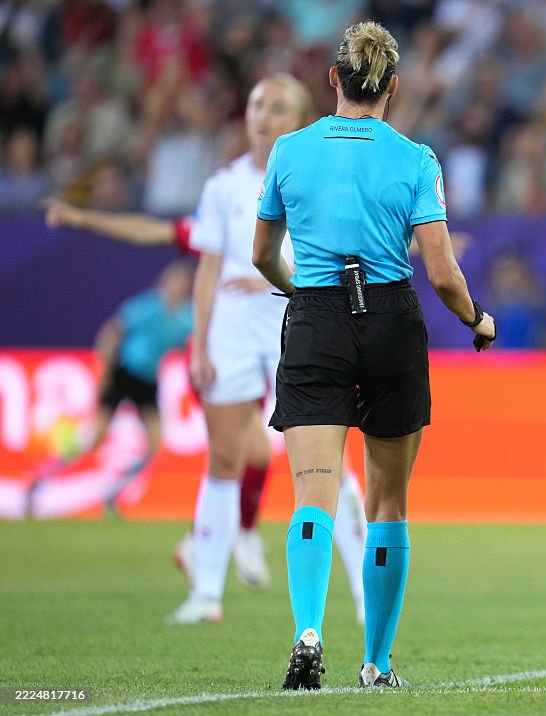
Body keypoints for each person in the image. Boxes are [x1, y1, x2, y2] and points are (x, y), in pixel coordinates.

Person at [252, 21, 495, 690]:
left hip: (316, 319)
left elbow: (260, 254)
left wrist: (296, 290)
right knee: (388, 502)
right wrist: (476, 319)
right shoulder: (416, 158)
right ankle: (377, 664)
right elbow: (443, 273)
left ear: (332, 79)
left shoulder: (288, 151)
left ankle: (307, 629)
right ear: (393, 85)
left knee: (314, 493)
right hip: (389, 318)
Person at [41, 196, 369, 607]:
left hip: (285, 350)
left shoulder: (304, 217)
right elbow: (148, 230)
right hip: (222, 360)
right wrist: (82, 215)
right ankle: (229, 556)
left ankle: (207, 544)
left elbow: (352, 250)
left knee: (286, 461)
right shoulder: (224, 213)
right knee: (244, 458)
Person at [165, 72, 362, 625]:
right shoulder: (223, 186)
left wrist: (275, 276)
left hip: (297, 326)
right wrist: (198, 344)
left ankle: (367, 597)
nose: (263, 116)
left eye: (278, 108)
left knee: (332, 468)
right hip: (229, 333)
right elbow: (206, 271)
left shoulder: (320, 181)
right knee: (224, 459)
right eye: (256, 104)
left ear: (298, 121)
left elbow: (338, 260)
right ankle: (206, 593)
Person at [26, 260, 193, 516]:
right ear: (164, 282)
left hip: (147, 381)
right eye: (174, 281)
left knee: (154, 444)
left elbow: (189, 343)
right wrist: (103, 369)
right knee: (95, 437)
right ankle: (40, 479)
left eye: (182, 283)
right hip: (123, 372)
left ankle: (113, 494)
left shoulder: (185, 317)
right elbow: (112, 332)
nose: (177, 287)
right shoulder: (148, 306)